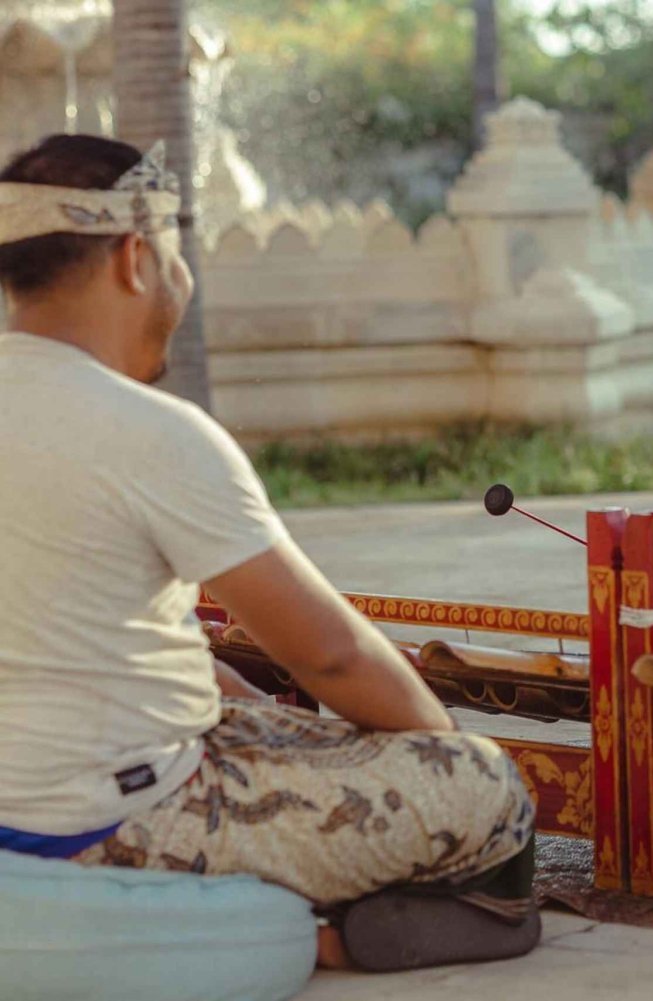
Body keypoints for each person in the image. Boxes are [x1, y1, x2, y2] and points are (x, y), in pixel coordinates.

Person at [0, 135, 538, 972]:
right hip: (110, 823)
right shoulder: (152, 433)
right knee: (488, 789)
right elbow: (330, 654)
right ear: (137, 258)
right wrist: (442, 757)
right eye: (179, 255)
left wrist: (263, 718)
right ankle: (328, 934)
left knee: (265, 719)